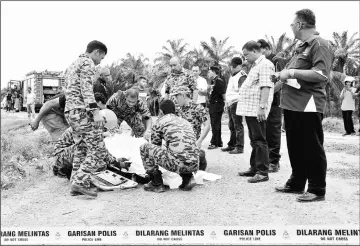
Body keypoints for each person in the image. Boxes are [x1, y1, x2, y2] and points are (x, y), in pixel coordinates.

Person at [274, 9, 334, 202]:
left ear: (300, 25)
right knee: (295, 145)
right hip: (293, 104)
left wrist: (291, 73)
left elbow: (321, 74)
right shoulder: (301, 47)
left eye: (292, 24)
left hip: (308, 104)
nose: (291, 27)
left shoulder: (320, 44)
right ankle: (297, 181)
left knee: (311, 147)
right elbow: (294, 69)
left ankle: (317, 188)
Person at [64, 40, 109, 198]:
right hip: (82, 112)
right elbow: (86, 89)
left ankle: (75, 181)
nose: (99, 62)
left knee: (82, 147)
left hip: (71, 112)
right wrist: (95, 112)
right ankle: (80, 182)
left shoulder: (73, 64)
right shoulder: (87, 63)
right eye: (101, 58)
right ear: (96, 52)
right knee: (97, 149)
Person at [139, 100, 199, 193]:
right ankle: (187, 179)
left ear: (160, 112)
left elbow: (155, 147)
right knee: (182, 152)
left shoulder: (160, 122)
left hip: (177, 164)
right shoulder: (185, 121)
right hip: (194, 165)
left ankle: (156, 183)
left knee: (145, 148)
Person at [236, 41, 275, 183]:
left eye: (246, 54)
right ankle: (254, 167)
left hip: (257, 109)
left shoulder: (265, 64)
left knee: (259, 140)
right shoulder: (256, 65)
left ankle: (263, 171)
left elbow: (266, 87)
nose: (245, 57)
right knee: (254, 140)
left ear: (254, 51)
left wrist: (262, 107)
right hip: (250, 109)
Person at [257, 39, 286, 172]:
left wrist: (268, 94)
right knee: (266, 130)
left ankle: (274, 162)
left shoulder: (276, 60)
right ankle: (267, 159)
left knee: (273, 131)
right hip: (267, 101)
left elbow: (282, 81)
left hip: (274, 101)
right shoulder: (263, 63)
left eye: (260, 50)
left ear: (266, 48)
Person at [171, 86, 211, 170]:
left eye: (176, 97)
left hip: (192, 142)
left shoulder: (197, 107)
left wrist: (200, 141)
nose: (175, 99)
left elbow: (207, 125)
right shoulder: (177, 108)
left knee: (191, 169)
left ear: (183, 96)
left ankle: (200, 155)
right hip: (179, 141)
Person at [222, 57, 246, 154]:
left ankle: (239, 147)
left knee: (238, 126)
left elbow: (242, 91)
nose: (232, 68)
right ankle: (232, 145)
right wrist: (226, 102)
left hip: (236, 102)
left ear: (240, 66)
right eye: (231, 66)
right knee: (231, 126)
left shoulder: (242, 76)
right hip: (230, 102)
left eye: (234, 66)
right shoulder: (234, 75)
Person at [207, 65, 226, 149]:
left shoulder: (219, 81)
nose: (208, 73)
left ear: (214, 72)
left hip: (217, 105)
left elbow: (223, 94)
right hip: (213, 105)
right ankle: (219, 142)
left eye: (209, 71)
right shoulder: (213, 81)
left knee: (215, 125)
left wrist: (225, 104)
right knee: (216, 124)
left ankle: (214, 143)